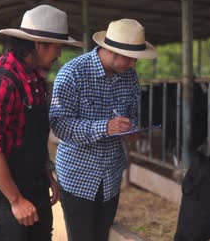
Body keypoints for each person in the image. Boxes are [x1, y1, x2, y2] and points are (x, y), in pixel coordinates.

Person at [0, 5, 83, 241]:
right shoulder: (2, 80)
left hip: (35, 184)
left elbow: (33, 137)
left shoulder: (34, 79)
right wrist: (16, 200)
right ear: (38, 44)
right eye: (58, 47)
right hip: (6, 192)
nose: (59, 55)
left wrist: (46, 173)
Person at [49, 18, 157, 240]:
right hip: (78, 177)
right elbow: (60, 124)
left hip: (111, 176)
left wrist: (131, 132)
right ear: (112, 51)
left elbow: (131, 116)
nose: (133, 64)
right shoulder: (73, 73)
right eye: (130, 58)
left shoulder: (130, 78)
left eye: (136, 59)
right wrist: (105, 127)